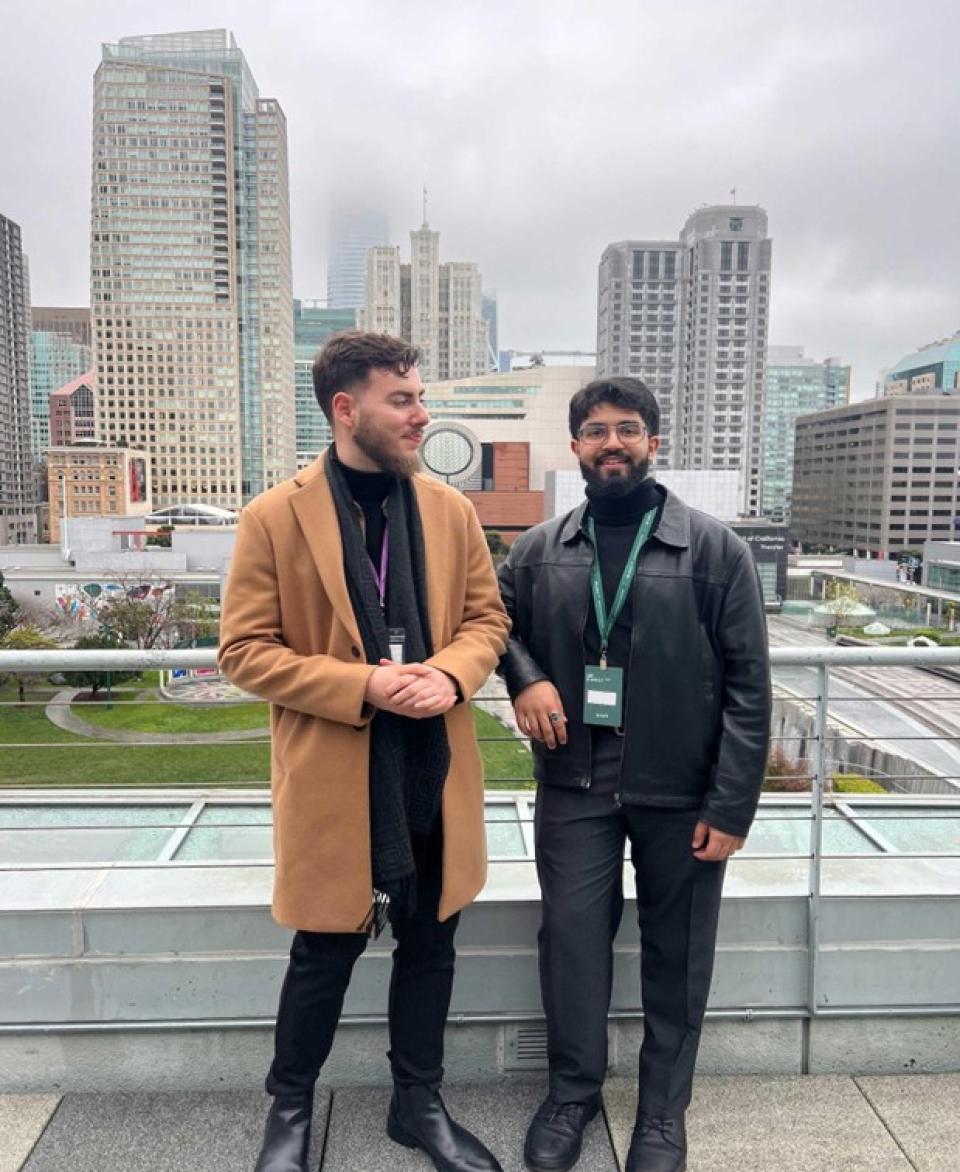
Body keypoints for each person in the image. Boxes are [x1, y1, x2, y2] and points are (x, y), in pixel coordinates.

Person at [218, 331, 511, 1172]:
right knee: (323, 951)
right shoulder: (274, 515)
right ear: (347, 410)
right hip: (336, 776)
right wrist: (363, 686)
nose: (422, 416)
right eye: (404, 399)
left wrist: (452, 677)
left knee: (431, 943)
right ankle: (290, 1113)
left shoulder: (451, 511)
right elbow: (244, 652)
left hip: (434, 770)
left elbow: (488, 622)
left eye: (421, 397)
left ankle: (417, 1106)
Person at [497, 377, 771, 1172]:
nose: (610, 443)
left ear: (654, 441)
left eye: (626, 429)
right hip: (574, 783)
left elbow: (751, 687)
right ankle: (572, 1095)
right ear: (576, 446)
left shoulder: (717, 550)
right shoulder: (540, 547)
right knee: (572, 944)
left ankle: (660, 1114)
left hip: (679, 788)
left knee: (677, 955)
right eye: (594, 431)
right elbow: (493, 625)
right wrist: (524, 677)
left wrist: (732, 807)